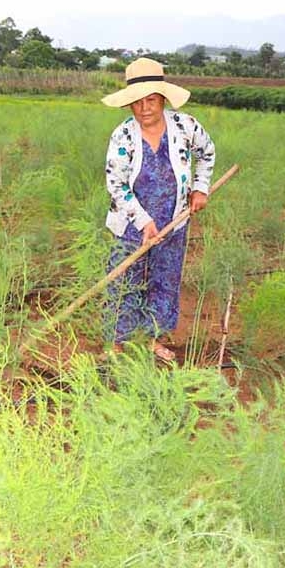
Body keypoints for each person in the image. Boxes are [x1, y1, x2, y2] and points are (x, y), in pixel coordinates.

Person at [102, 57, 216, 360]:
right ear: (129, 105)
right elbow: (117, 185)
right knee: (124, 280)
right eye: (137, 102)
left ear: (163, 99)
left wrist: (200, 187)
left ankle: (151, 338)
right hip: (131, 223)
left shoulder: (185, 126)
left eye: (151, 100)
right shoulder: (123, 136)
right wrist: (143, 222)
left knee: (163, 280)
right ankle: (117, 343)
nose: (145, 108)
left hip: (174, 220)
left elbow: (207, 153)